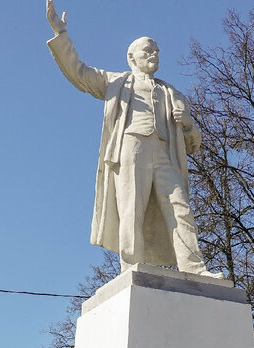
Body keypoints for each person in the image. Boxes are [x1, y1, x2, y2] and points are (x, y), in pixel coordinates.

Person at [45, 1, 216, 276]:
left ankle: (194, 267)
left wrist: (188, 126)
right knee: (131, 208)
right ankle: (133, 267)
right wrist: (62, 35)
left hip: (165, 153)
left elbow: (194, 143)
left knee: (180, 207)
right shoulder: (116, 82)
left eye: (157, 50)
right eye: (148, 50)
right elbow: (79, 73)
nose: (154, 54)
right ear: (131, 57)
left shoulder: (173, 94)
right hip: (131, 147)